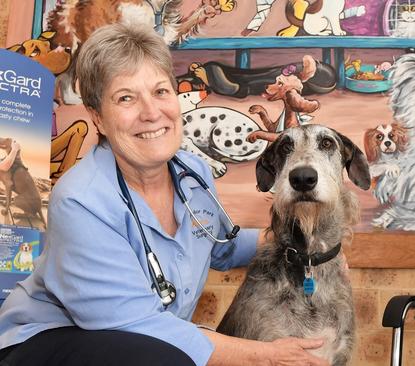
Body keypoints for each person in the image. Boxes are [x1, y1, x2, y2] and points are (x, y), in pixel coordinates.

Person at [0, 23, 328, 366]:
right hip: (41, 343)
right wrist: (266, 356)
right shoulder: (80, 200)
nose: (151, 112)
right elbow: (133, 323)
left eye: (160, 92)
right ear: (97, 117)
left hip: (138, 345)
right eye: (126, 98)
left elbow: (219, 244)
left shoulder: (192, 174)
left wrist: (302, 245)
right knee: (164, 357)